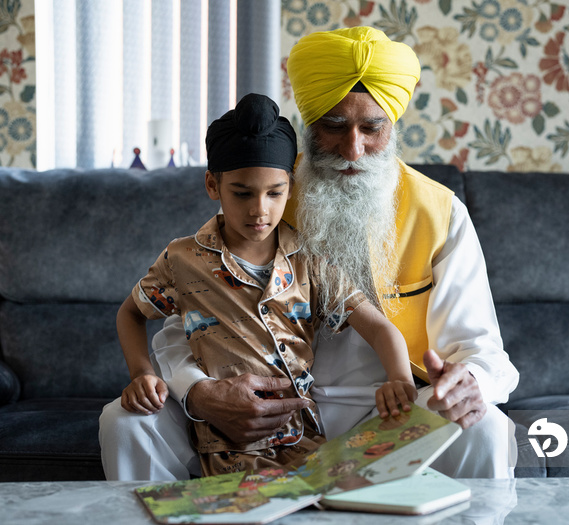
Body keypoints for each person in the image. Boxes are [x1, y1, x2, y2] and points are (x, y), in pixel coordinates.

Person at [100, 26, 519, 481]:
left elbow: (482, 348)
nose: (353, 149)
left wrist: (470, 383)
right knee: (124, 424)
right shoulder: (266, 192)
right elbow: (191, 310)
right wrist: (200, 393)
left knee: (486, 428)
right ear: (308, 120)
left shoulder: (440, 213)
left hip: (389, 413)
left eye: (372, 128)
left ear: (393, 122)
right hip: (257, 408)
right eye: (334, 126)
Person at [115, 93, 417, 476]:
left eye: (274, 193)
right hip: (222, 445)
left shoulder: (311, 262)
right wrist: (142, 373)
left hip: (304, 443)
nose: (260, 209)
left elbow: (378, 327)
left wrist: (399, 379)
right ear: (213, 185)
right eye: (242, 193)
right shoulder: (181, 260)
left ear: (291, 187)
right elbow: (130, 313)